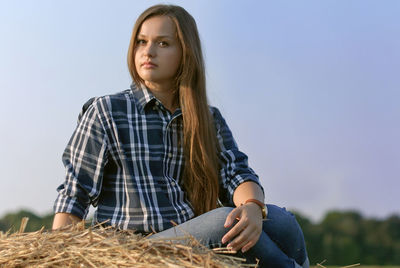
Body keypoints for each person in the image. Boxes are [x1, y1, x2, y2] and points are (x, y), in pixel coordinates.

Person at [52, 4, 309, 267]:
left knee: (282, 222)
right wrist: (57, 258)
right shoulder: (106, 111)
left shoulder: (207, 118)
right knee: (222, 222)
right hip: (133, 248)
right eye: (141, 42)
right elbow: (75, 193)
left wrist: (254, 207)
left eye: (163, 43)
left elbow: (237, 173)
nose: (148, 51)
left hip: (189, 235)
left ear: (185, 53)